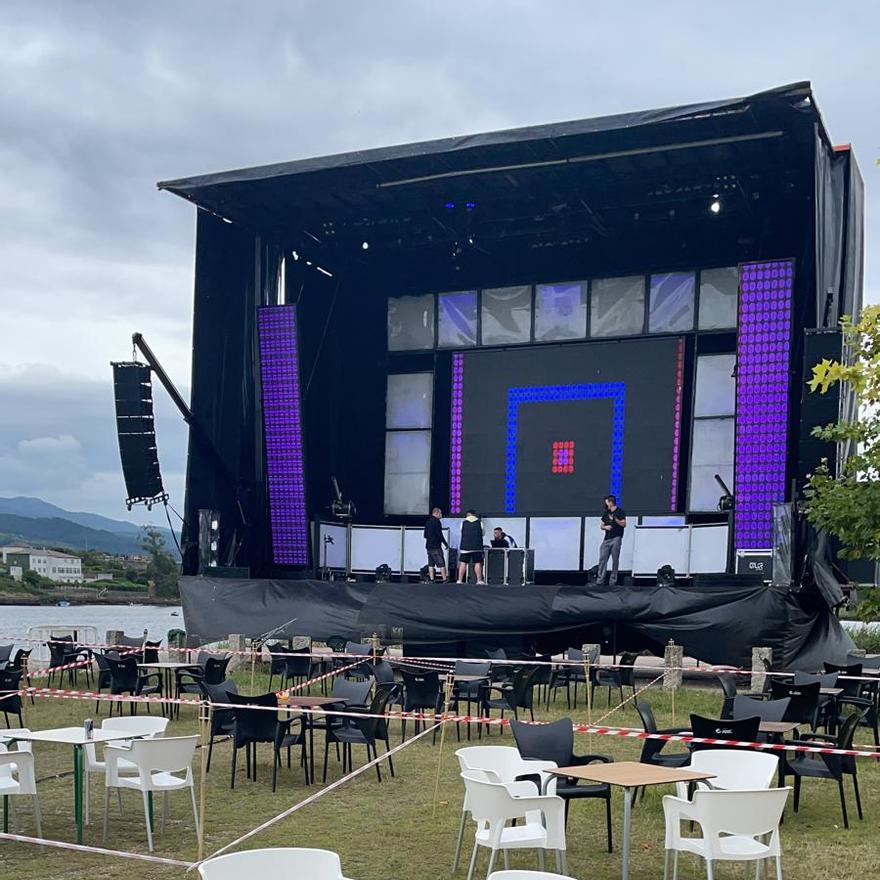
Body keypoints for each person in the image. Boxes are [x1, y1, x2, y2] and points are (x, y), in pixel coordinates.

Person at [597, 495, 626, 586]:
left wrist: (615, 519)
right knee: (602, 559)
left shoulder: (620, 511)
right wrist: (606, 527)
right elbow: (601, 526)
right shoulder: (606, 513)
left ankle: (612, 581)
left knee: (615, 560)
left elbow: (624, 524)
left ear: (610, 502)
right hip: (607, 539)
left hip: (616, 538)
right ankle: (600, 580)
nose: (605, 504)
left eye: (607, 502)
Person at [457, 509, 485, 584]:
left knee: (463, 563)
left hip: (465, 547)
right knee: (477, 563)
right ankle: (479, 580)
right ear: (474, 515)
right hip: (477, 547)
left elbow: (461, 531)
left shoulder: (463, 523)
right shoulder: (480, 523)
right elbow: (483, 533)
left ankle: (459, 580)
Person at [423, 506, 448, 582]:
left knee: (431, 563)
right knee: (441, 563)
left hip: (428, 546)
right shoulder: (437, 522)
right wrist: (445, 543)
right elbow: (439, 534)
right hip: (436, 546)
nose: (441, 515)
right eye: (440, 513)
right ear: (436, 513)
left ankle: (432, 578)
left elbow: (425, 535)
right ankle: (444, 578)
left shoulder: (428, 521)